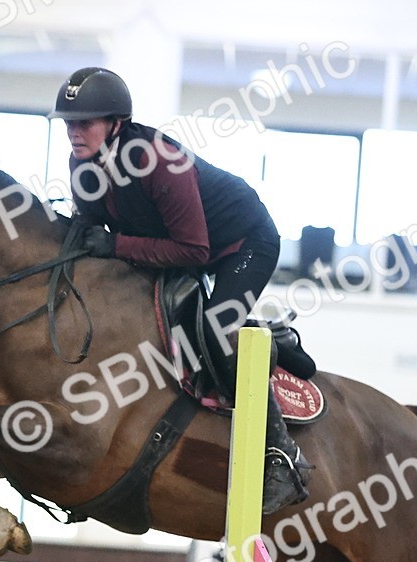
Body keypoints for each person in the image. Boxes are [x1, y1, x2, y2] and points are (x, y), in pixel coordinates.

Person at [48, 66, 311, 514]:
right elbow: (94, 233)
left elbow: (192, 249)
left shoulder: (159, 161)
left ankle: (283, 456)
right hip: (177, 246)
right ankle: (274, 343)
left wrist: (115, 244)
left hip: (243, 243)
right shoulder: (82, 165)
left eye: (84, 123)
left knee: (212, 330)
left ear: (115, 124)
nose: (74, 133)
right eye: (69, 123)